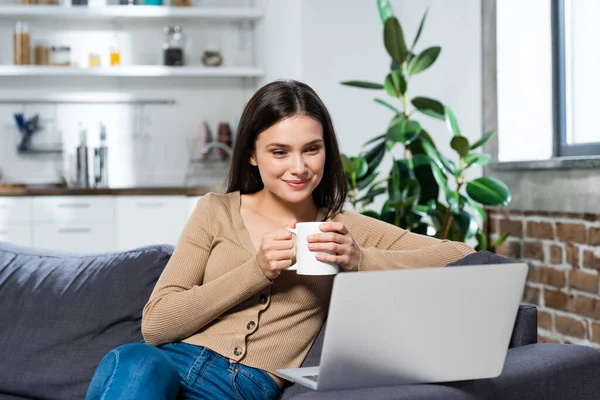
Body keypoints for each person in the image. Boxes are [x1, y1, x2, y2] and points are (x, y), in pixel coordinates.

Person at [85, 80, 475, 400]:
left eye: (312, 150)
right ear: (253, 155)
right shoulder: (214, 211)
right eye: (279, 152)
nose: (299, 168)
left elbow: (460, 255)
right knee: (139, 363)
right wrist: (256, 271)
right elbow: (155, 325)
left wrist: (361, 261)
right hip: (165, 367)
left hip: (241, 386)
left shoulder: (342, 227)